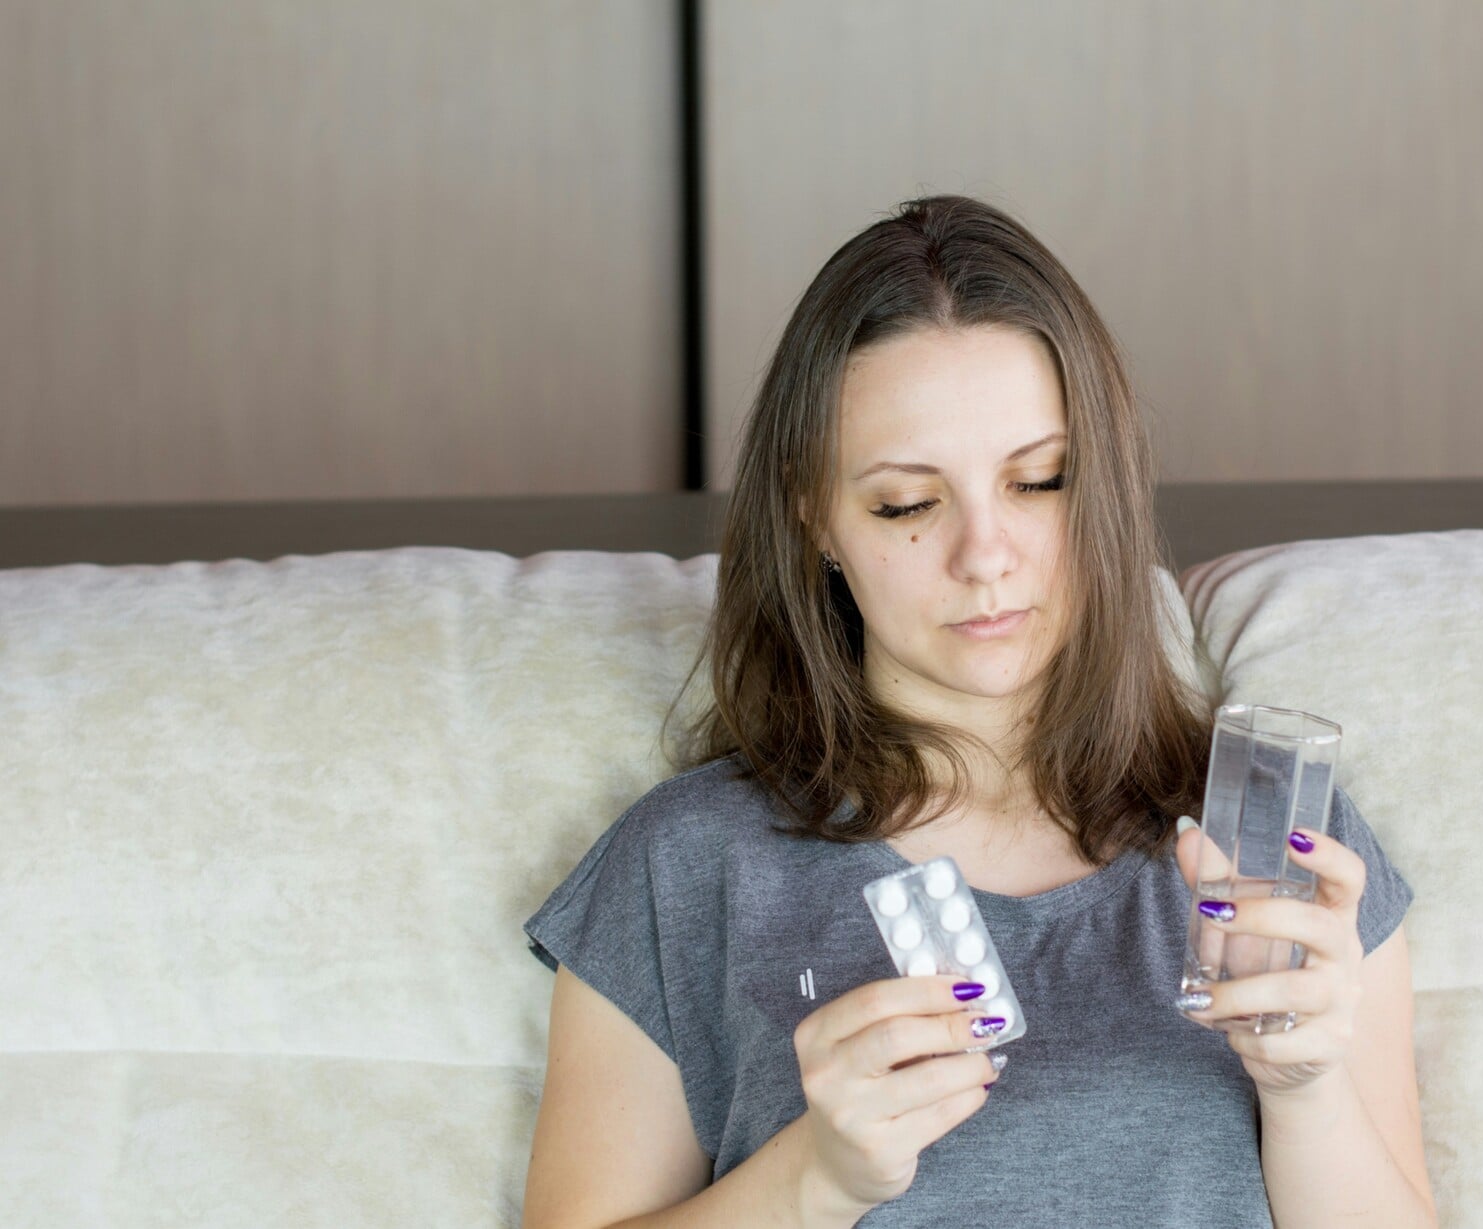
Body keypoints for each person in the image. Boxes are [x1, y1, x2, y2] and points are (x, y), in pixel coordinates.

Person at [519, 194, 1435, 1228]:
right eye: (908, 502)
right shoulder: (686, 863)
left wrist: (1306, 1090)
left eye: (1040, 481)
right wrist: (814, 1177)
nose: (986, 556)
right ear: (813, 514)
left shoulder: (1275, 851)